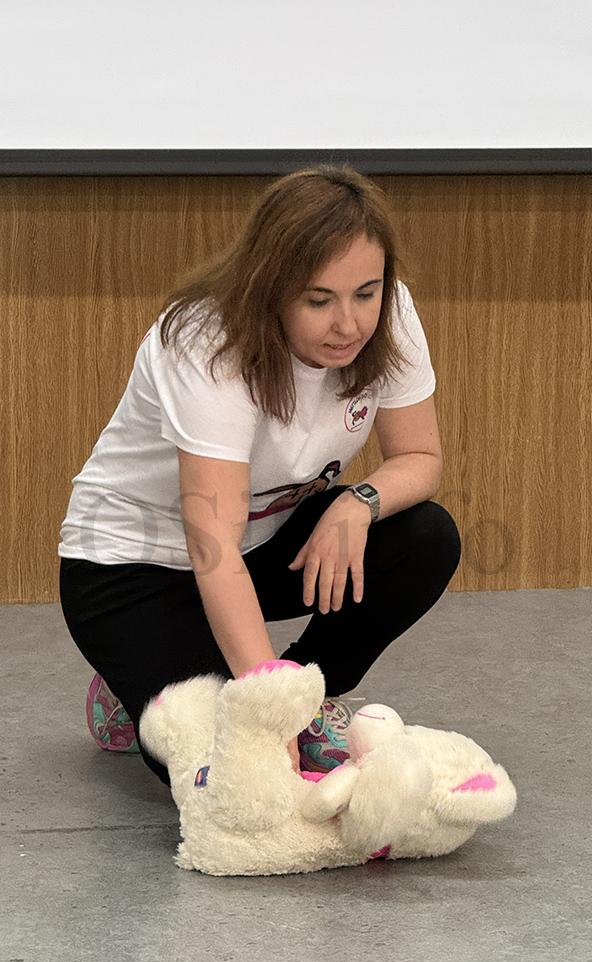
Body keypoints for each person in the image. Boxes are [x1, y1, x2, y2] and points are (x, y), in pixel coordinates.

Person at [58, 164, 462, 791]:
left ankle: (309, 694)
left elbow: (419, 457)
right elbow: (212, 547)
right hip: (131, 568)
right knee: (227, 772)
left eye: (366, 293)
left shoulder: (391, 312)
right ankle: (134, 672)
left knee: (423, 537)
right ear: (268, 286)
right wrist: (265, 714)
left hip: (257, 547)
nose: (349, 324)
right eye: (318, 300)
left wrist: (357, 502)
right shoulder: (205, 342)